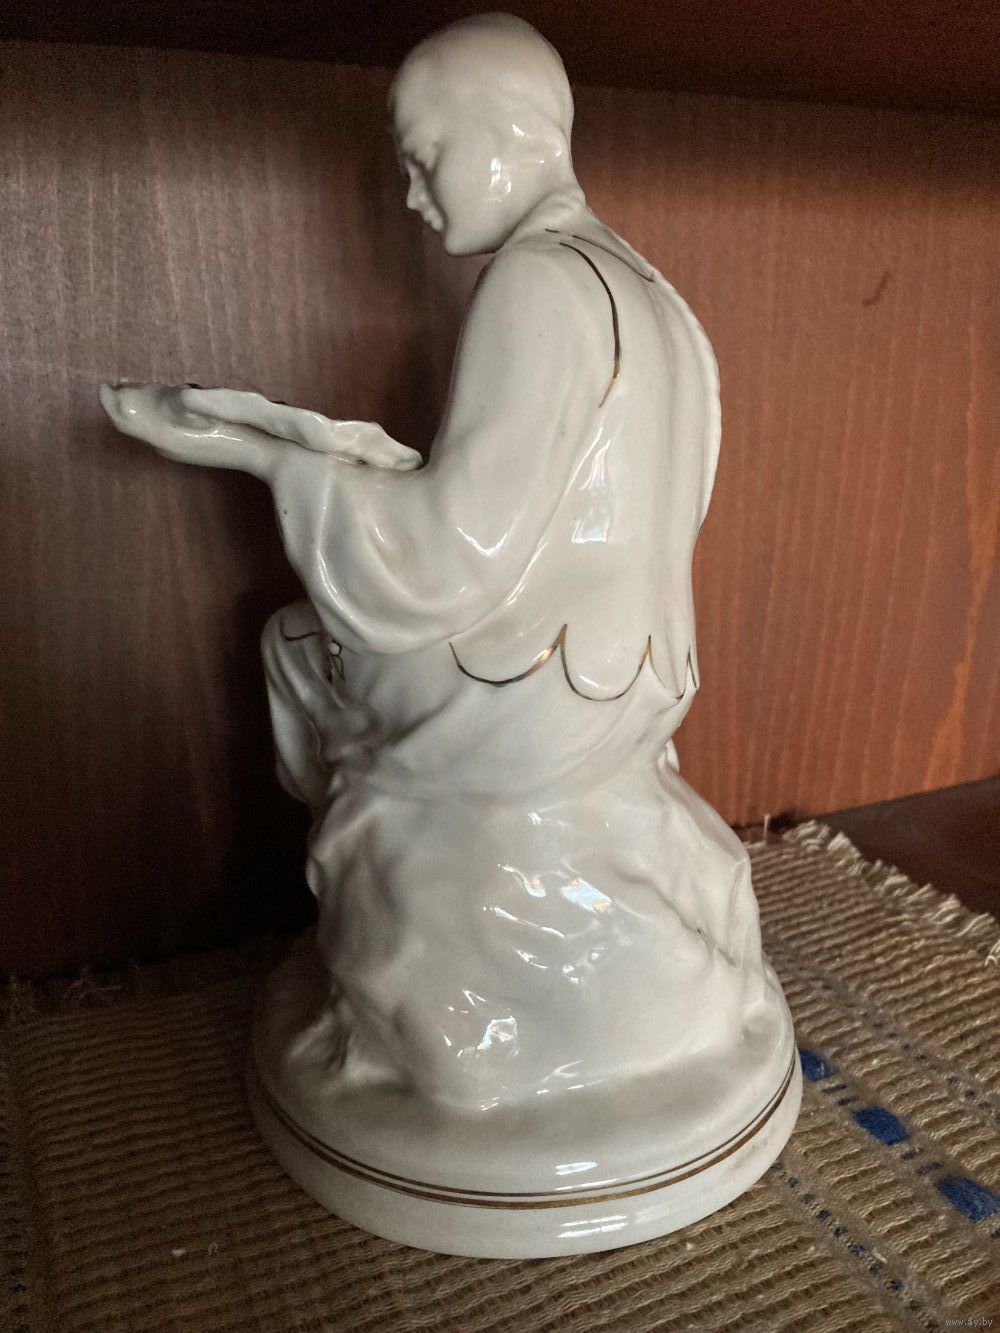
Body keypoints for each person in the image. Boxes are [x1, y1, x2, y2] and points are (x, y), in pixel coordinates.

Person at [101, 14, 780, 1113]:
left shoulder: (536, 283)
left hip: (525, 698)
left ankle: (386, 875)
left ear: (507, 129)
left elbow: (449, 556)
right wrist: (347, 454)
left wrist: (266, 457)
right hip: (642, 687)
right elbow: (591, 516)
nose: (412, 197)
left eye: (424, 157)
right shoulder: (653, 293)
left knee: (292, 646)